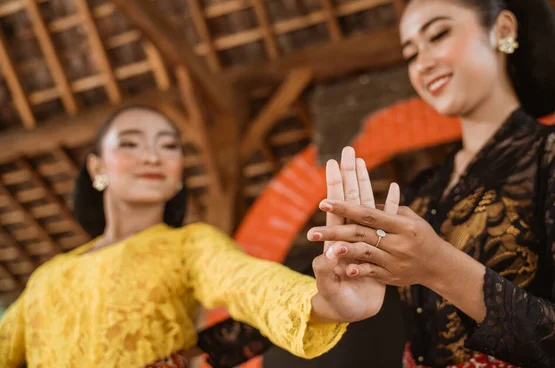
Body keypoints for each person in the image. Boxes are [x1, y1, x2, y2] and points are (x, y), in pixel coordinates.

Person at [306, 0, 555, 367]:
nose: (422, 63)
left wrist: (438, 266)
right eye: (410, 54)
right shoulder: (423, 191)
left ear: (502, 30)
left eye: (438, 34)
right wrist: (340, 301)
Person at [0, 104, 391, 368]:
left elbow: (251, 284)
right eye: (132, 143)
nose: (153, 156)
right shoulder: (46, 277)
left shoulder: (189, 245)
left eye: (168, 146)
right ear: (96, 166)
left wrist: (325, 303)